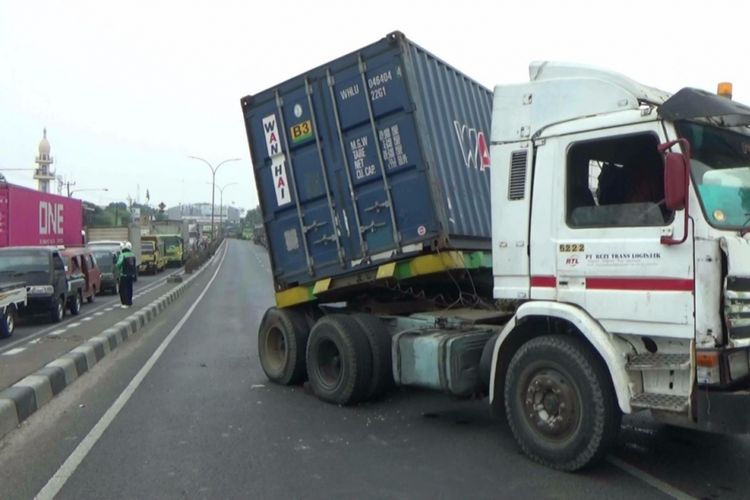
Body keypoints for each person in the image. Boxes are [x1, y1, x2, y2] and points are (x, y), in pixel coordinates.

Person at [116, 241, 137, 308]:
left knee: (122, 289)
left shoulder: (122, 255)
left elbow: (118, 264)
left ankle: (124, 303)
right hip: (131, 275)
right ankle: (129, 302)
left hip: (124, 275)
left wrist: (117, 265)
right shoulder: (132, 255)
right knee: (129, 288)